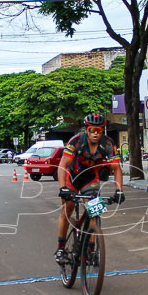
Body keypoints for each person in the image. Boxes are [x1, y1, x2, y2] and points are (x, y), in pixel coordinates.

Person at [54, 113, 124, 264]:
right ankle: (60, 248)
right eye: (92, 130)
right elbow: (63, 165)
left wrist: (119, 191)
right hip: (72, 177)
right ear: (86, 130)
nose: (96, 133)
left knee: (95, 210)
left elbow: (116, 168)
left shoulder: (108, 144)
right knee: (68, 208)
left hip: (90, 178)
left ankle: (91, 250)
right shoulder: (76, 141)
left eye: (99, 130)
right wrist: (62, 188)